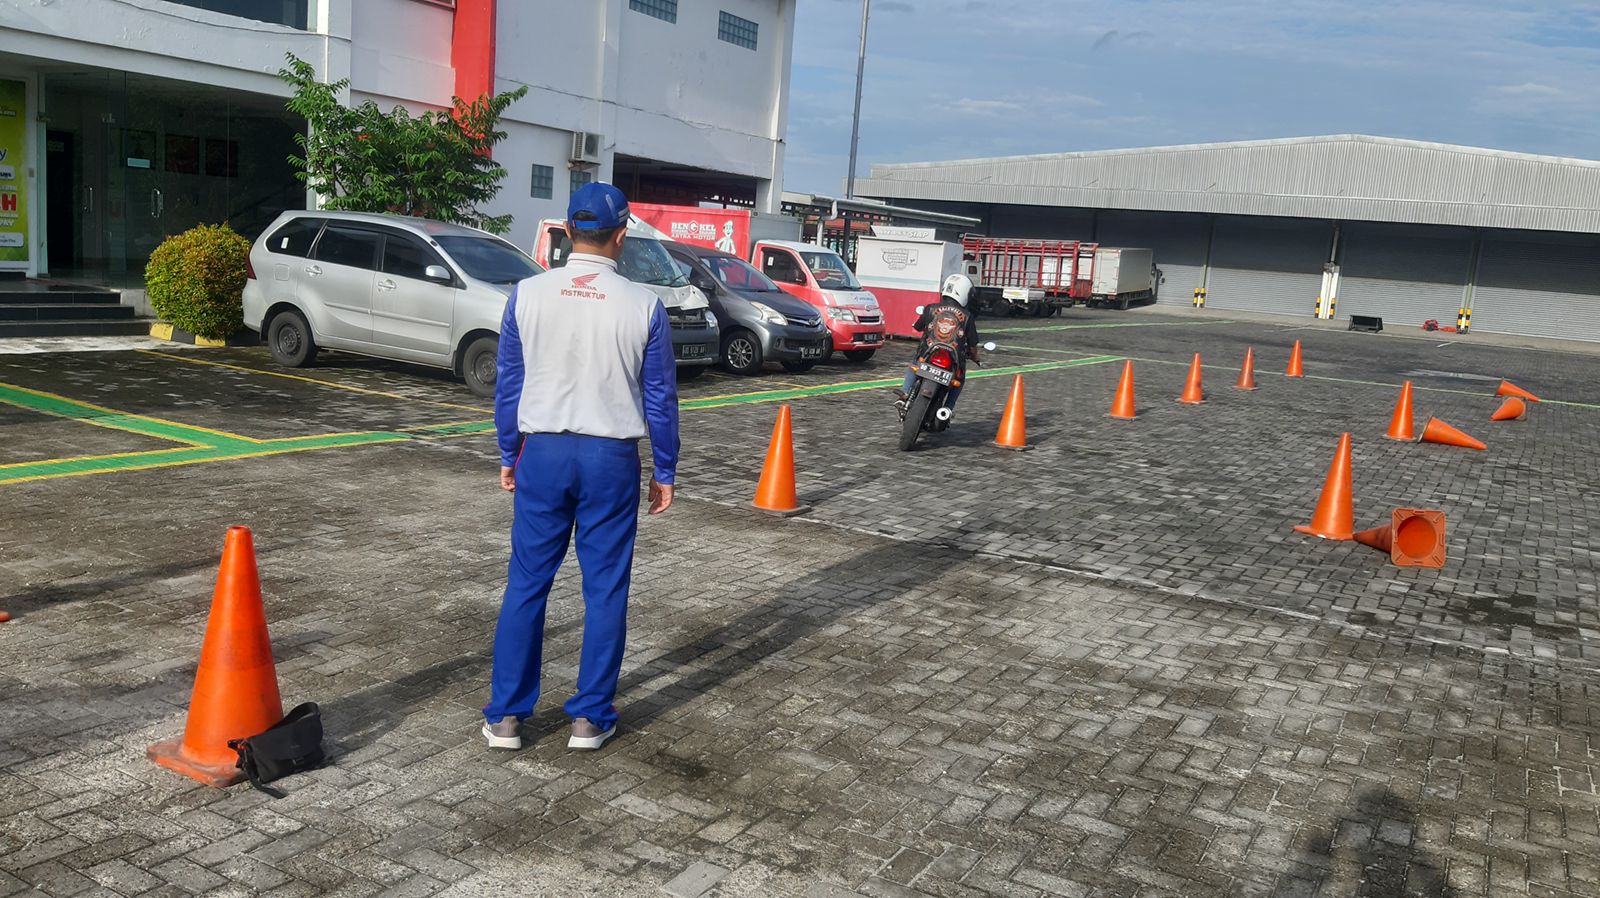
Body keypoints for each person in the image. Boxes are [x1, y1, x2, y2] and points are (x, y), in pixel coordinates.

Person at [485, 182, 679, 752]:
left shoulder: (526, 294)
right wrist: (664, 468)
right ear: (621, 236)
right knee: (606, 588)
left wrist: (507, 452)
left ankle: (506, 716)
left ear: (568, 232)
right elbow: (660, 397)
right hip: (609, 458)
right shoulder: (645, 305)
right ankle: (590, 717)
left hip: (541, 452)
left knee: (526, 584)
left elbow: (509, 385)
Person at [896, 273, 982, 416]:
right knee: (959, 378)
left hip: (928, 353)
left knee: (915, 365)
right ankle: (948, 407)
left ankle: (904, 392)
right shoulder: (967, 316)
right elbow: (972, 345)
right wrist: (975, 357)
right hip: (953, 359)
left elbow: (917, 326)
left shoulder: (930, 308)